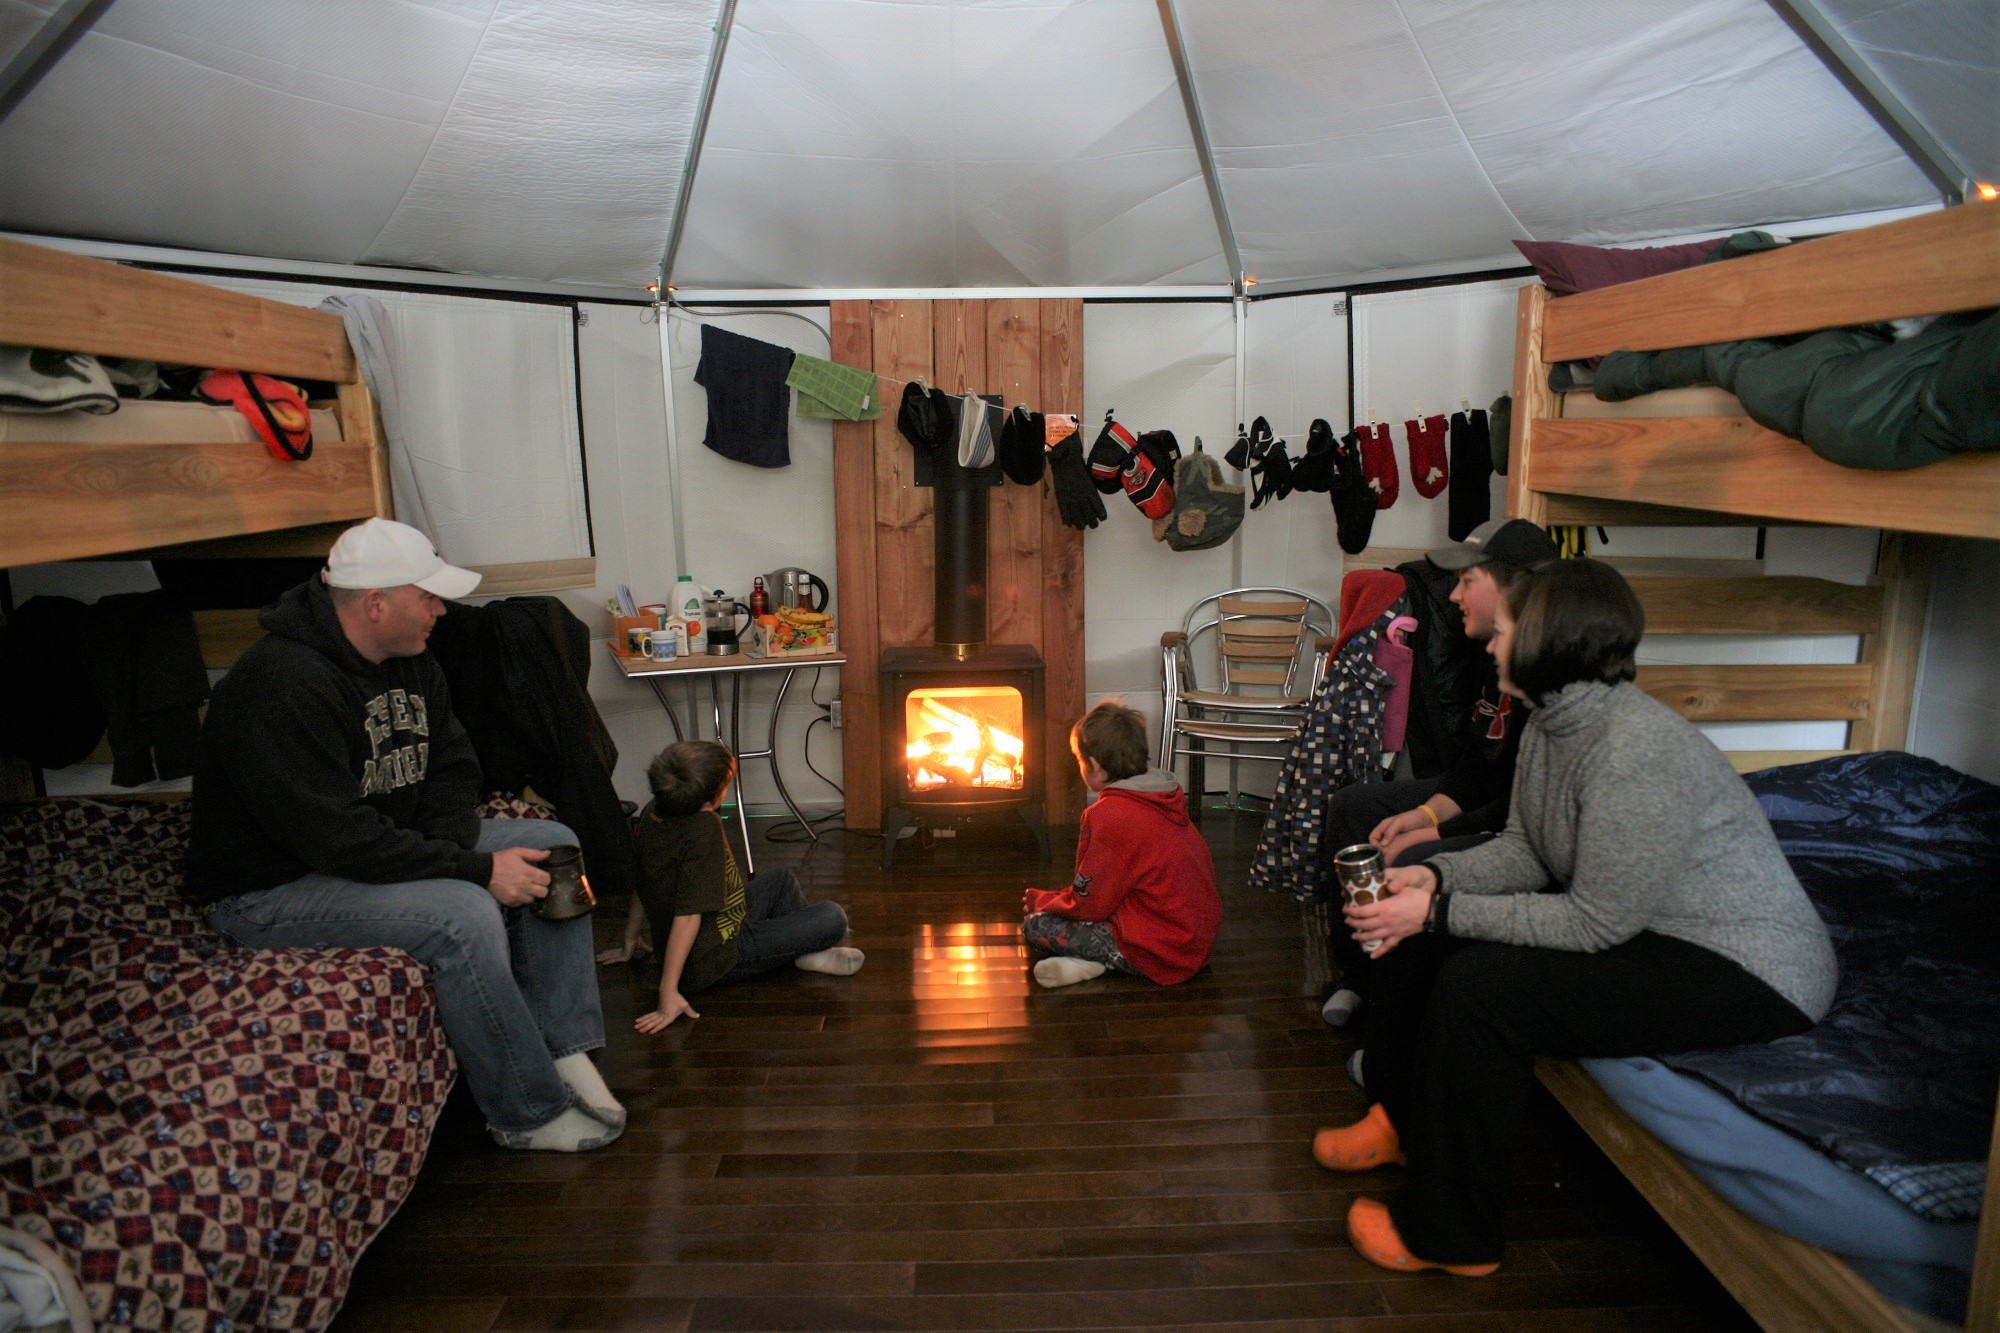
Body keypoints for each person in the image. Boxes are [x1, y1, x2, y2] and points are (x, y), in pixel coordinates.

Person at [1320, 558, 1837, 1276]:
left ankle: (1451, 1236)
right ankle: (1403, 1122)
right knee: (1418, 940)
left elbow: (1597, 924)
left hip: (1746, 966)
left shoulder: (1635, 750)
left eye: (1503, 633)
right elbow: (1526, 850)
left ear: (1546, 642)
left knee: (1482, 989)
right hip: (1651, 925)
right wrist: (1430, 877)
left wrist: (1440, 910)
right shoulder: (1550, 723)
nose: (1491, 646)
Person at [185, 517, 624, 1153]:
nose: (441, 610)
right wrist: (471, 871)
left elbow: (452, 766)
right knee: (463, 915)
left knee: (553, 842)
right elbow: (335, 839)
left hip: (369, 844)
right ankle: (525, 1111)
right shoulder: (279, 685)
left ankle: (563, 1051)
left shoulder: (411, 660)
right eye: (429, 596)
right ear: (376, 603)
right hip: (273, 886)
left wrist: (451, 845)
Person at [1321, 517, 1558, 1029]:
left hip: (1514, 819)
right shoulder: (1488, 651)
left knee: (1416, 853)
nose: (1453, 595)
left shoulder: (1548, 670)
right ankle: (1359, 975)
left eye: (1468, 580)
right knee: (1354, 807)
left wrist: (1434, 831)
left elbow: (1523, 805)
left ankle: (1396, 1012)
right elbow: (1475, 760)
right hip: (1480, 799)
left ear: (1515, 585)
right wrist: (1425, 812)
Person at [624, 739, 862, 1033]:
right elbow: (687, 917)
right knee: (832, 917)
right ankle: (804, 951)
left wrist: (629, 939)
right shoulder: (703, 829)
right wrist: (667, 992)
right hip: (717, 955)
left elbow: (642, 881)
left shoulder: (651, 813)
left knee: (780, 879)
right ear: (708, 802)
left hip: (723, 919)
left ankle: (801, 951)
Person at [1021, 702, 1221, 989]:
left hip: (1166, 951)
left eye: (1079, 760)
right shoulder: (1164, 796)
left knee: (1035, 925)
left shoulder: (1109, 816)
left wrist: (1045, 901)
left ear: (1096, 769)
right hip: (1197, 942)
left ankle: (1104, 961)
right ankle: (1090, 964)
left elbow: (1090, 903)